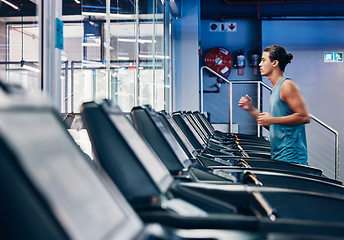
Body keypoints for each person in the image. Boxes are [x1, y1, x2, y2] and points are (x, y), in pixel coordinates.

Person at [238, 45, 310, 165]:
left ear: (274, 63)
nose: (260, 64)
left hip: (291, 157)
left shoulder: (287, 85)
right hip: (280, 155)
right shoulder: (275, 88)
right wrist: (250, 109)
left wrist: (272, 119)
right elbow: (275, 126)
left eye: (263, 60)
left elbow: (303, 117)